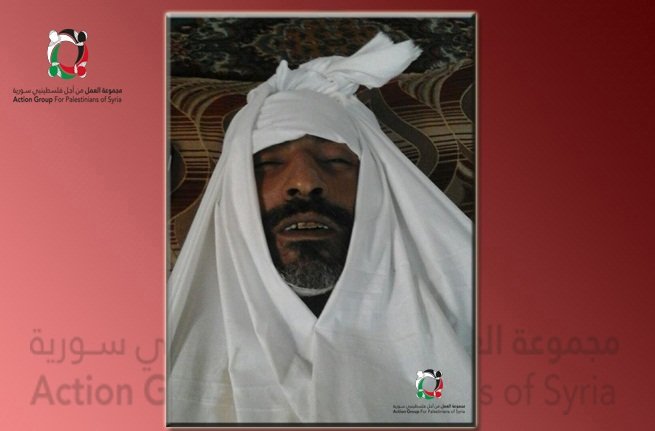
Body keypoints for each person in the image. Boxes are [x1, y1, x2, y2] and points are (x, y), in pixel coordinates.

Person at [167, 33, 473, 424]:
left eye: (335, 161)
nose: (305, 181)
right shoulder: (161, 349)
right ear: (235, 194)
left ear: (377, 187)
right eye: (267, 163)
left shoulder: (469, 319)